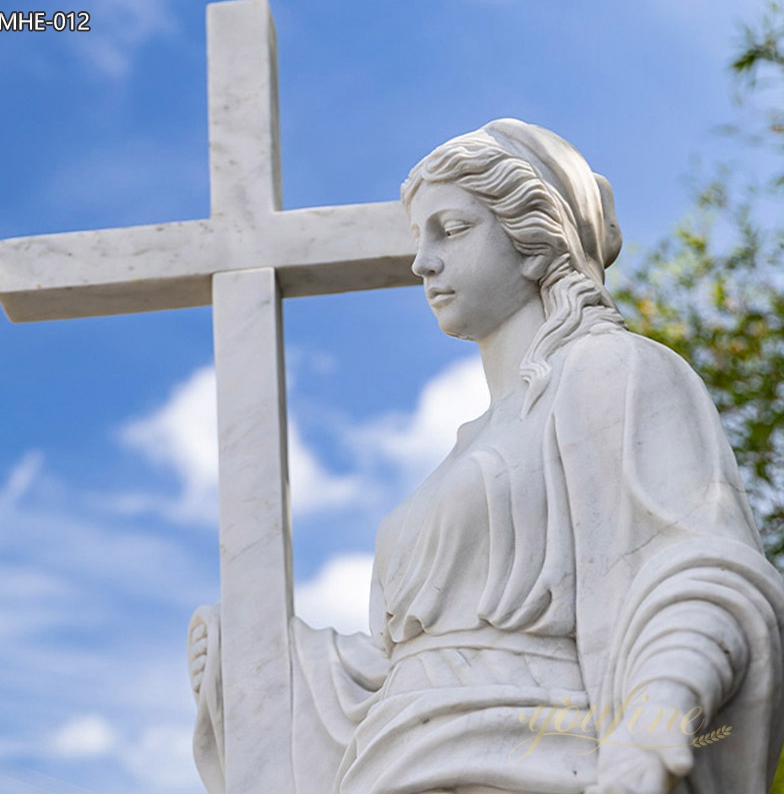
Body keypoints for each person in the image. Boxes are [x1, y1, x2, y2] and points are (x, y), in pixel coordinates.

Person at [190, 119, 784, 794]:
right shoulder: (465, 449)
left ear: (535, 241)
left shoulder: (610, 370)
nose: (422, 261)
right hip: (394, 767)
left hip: (539, 761)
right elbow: (404, 670)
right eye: (420, 237)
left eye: (453, 228)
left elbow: (698, 569)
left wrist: (650, 726)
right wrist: (268, 664)